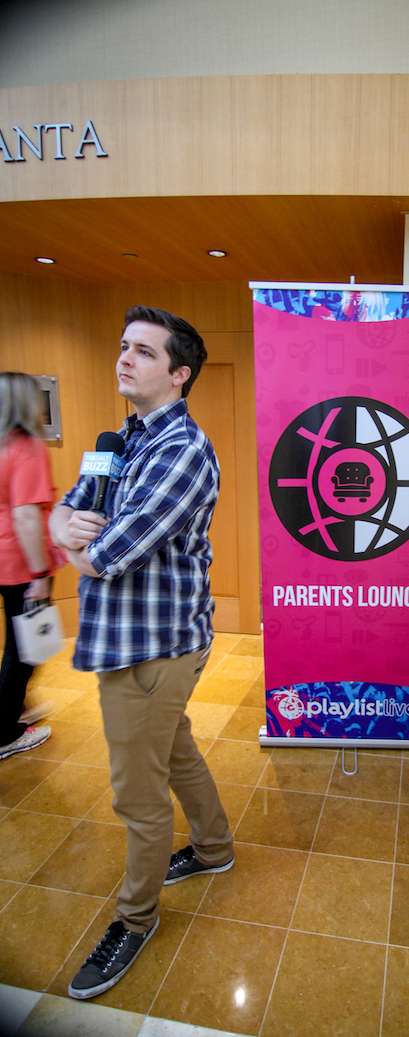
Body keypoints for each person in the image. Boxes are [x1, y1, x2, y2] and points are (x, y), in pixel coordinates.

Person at [50, 307, 234, 1001]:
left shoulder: (181, 450)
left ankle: (135, 919)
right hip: (126, 640)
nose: (125, 358)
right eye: (124, 346)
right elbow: (65, 511)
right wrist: (67, 528)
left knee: (138, 796)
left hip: (153, 646)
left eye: (144, 352)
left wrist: (75, 539)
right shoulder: (120, 438)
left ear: (179, 373)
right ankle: (213, 848)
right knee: (174, 749)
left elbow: (108, 553)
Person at [0, 372, 56, 760]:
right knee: (25, 649)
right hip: (17, 563)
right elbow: (25, 516)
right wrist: (40, 574)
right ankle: (6, 732)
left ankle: (17, 706)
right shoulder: (27, 447)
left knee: (16, 644)